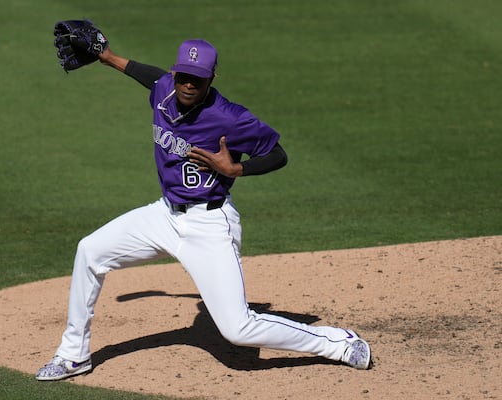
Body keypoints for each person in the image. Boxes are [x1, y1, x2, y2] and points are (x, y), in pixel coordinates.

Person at [36, 35, 371, 381]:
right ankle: (73, 355)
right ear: (175, 73)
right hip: (163, 215)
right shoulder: (165, 89)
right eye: (183, 76)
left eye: (197, 78)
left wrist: (236, 169)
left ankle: (337, 342)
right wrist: (108, 57)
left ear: (211, 79)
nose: (188, 85)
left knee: (238, 329)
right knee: (90, 250)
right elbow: (148, 75)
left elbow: (277, 153)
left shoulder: (230, 118)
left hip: (209, 224)